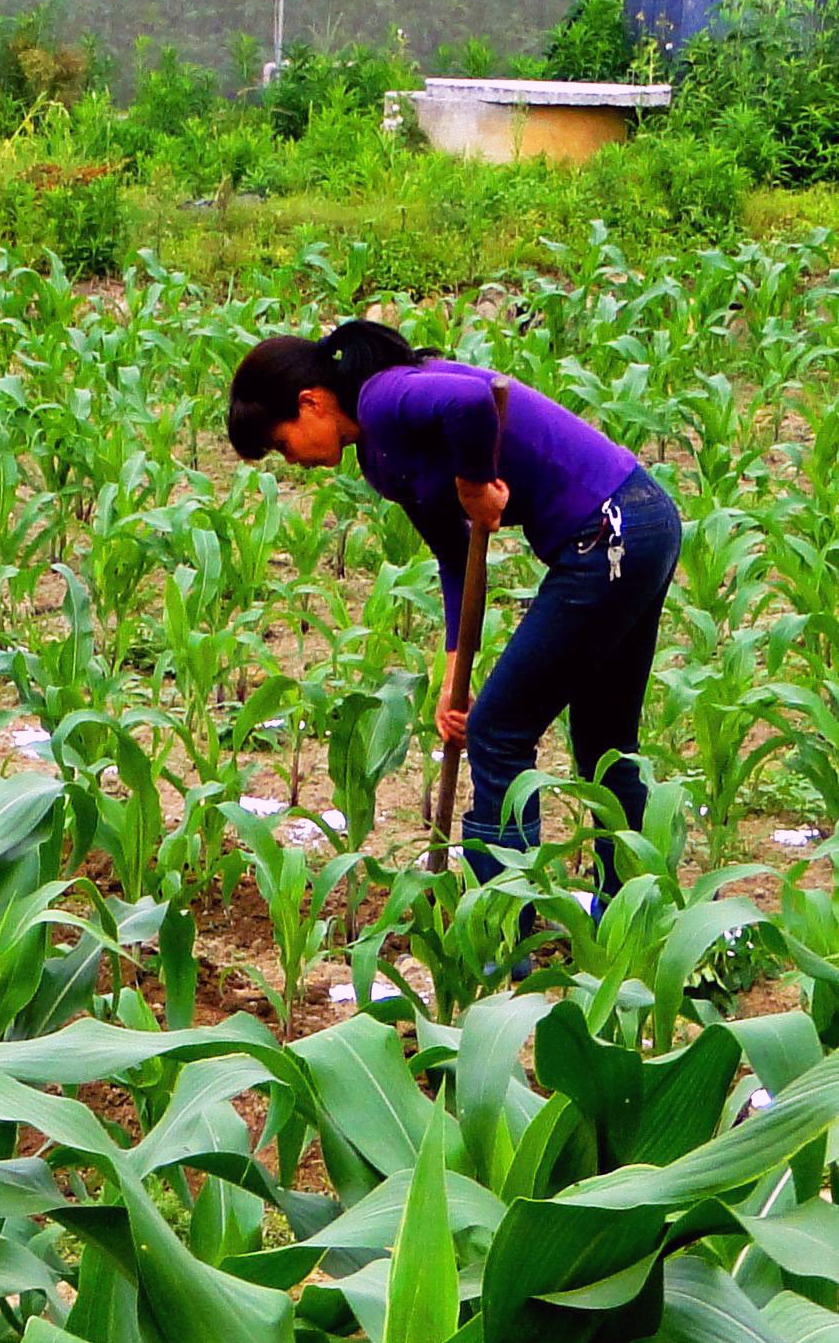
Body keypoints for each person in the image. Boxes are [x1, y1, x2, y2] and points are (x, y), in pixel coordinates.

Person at [226, 320, 682, 909]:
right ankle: (629, 912)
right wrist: (452, 677)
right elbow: (454, 555)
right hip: (641, 520)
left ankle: (500, 925)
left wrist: (472, 482)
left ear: (310, 402)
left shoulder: (384, 397)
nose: (292, 461)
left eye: (283, 443)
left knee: (498, 734)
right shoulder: (380, 453)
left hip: (609, 536)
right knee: (604, 739)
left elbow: (472, 402)